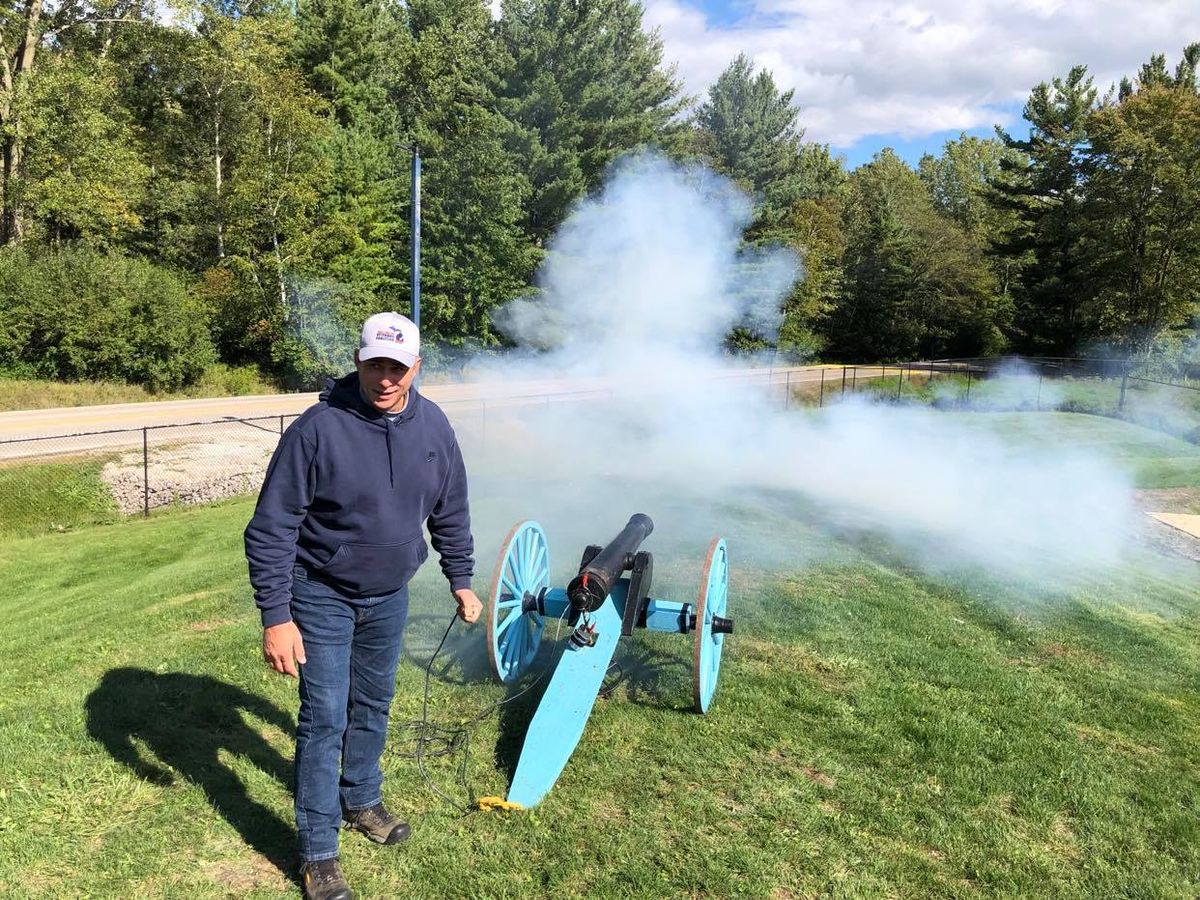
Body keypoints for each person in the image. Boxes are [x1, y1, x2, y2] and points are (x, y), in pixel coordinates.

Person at [244, 311, 482, 900]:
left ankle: (362, 799)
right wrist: (277, 616)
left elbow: (450, 509)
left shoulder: (434, 427)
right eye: (375, 363)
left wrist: (461, 577)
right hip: (320, 592)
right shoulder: (317, 430)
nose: (385, 378)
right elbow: (272, 528)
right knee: (324, 719)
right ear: (358, 361)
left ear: (416, 367)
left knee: (374, 702)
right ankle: (319, 853)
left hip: (389, 595)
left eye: (397, 367)